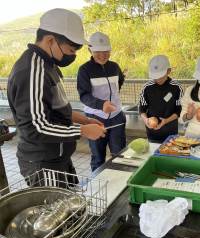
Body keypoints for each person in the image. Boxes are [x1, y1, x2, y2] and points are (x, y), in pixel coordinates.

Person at [7, 9, 106, 186]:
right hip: (42, 163)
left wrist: (85, 120)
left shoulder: (49, 65)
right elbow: (35, 127)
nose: (73, 56)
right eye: (70, 50)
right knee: (59, 212)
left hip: (59, 155)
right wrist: (82, 131)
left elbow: (57, 108)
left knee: (73, 205)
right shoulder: (32, 71)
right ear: (50, 40)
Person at [77, 32, 126, 171]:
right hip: (95, 119)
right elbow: (84, 95)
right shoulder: (84, 70)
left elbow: (119, 82)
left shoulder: (115, 67)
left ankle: (120, 184)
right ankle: (98, 186)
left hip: (116, 117)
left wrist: (113, 100)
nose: (103, 55)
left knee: (120, 154)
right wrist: (101, 104)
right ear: (90, 50)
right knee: (98, 156)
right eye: (98, 52)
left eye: (106, 51)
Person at [139, 55, 183, 143]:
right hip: (152, 132)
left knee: (171, 154)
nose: (158, 79)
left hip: (171, 132)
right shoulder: (146, 88)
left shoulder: (176, 87)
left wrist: (165, 121)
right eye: (155, 76)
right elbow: (141, 108)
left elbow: (179, 110)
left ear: (168, 71)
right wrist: (146, 120)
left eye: (160, 76)